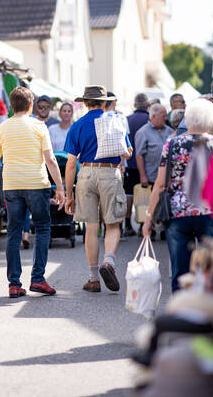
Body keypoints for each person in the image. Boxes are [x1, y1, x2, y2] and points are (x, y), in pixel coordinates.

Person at [0, 87, 65, 298]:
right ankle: (38, 279)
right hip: (36, 185)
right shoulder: (39, 126)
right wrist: (60, 187)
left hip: (11, 186)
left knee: (13, 233)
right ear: (31, 105)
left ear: (12, 106)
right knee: (42, 229)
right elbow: (50, 160)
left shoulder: (2, 128)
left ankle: (14, 283)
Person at [142, 99, 213, 292]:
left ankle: (181, 313)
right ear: (211, 121)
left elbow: (161, 183)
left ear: (187, 120)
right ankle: (212, 313)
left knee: (181, 272)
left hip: (179, 214)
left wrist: (148, 219)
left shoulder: (172, 145)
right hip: (211, 213)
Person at [64, 86, 132, 293]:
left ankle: (93, 279)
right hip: (109, 173)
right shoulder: (115, 121)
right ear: (104, 102)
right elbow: (128, 153)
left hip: (85, 173)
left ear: (85, 103)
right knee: (112, 224)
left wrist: (69, 194)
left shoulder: (77, 126)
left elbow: (70, 162)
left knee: (91, 228)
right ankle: (108, 262)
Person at [123, 93, 150, 237]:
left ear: (135, 104)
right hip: (146, 164)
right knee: (145, 194)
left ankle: (127, 224)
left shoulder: (127, 120)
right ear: (148, 104)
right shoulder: (150, 120)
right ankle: (142, 225)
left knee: (129, 194)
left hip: (129, 161)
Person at [135, 104, 174, 188]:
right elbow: (139, 156)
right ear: (153, 116)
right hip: (151, 177)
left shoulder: (169, 131)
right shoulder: (143, 132)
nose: (166, 118)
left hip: (168, 177)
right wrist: (143, 176)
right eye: (163, 116)